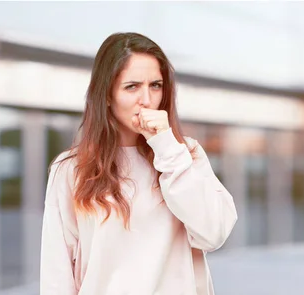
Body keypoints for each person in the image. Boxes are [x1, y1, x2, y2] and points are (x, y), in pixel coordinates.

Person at [40, 32, 238, 295]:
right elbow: (57, 274)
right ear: (107, 95)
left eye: (155, 85)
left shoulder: (185, 153)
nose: (146, 99)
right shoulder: (71, 169)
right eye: (131, 87)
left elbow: (213, 233)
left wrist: (166, 146)